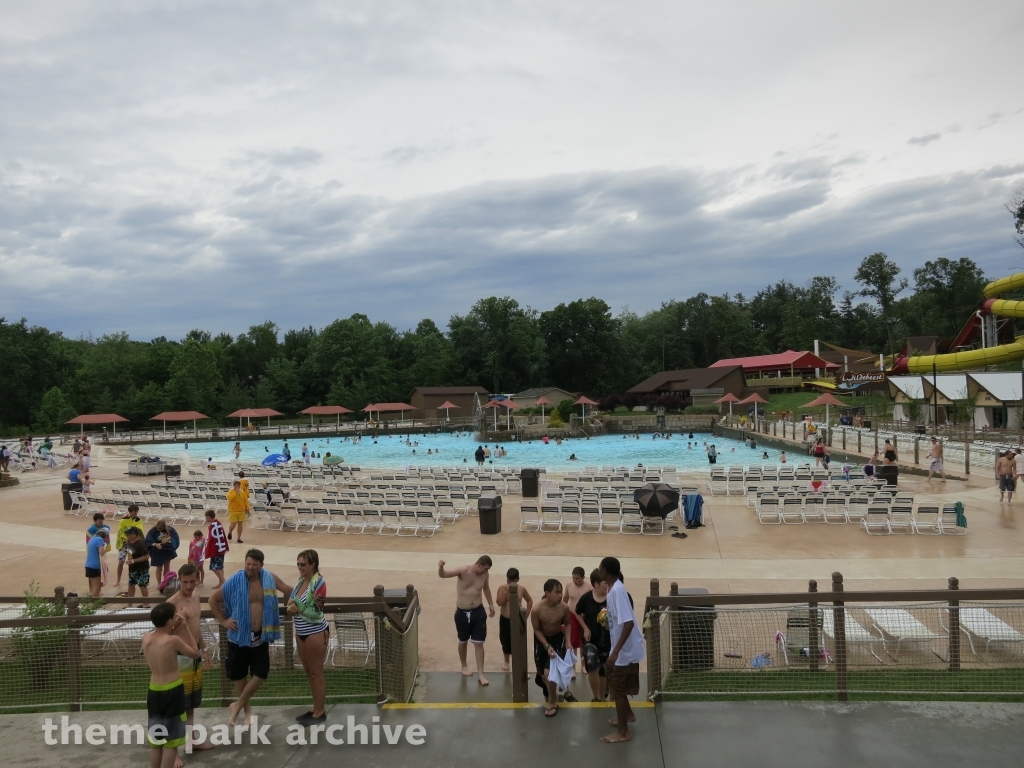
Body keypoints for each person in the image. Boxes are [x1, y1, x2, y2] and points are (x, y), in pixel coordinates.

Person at [210, 548, 292, 726]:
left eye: (254, 565)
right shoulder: (234, 580)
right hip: (238, 636)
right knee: (240, 675)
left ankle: (237, 705)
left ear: (261, 565)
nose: (250, 567)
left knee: (261, 673)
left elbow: (287, 589)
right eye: (248, 564)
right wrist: (223, 620)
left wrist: (305, 595)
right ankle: (247, 711)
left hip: (260, 636)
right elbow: (213, 600)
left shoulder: (269, 578)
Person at [142, 602, 200, 768]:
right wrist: (185, 627)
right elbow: (194, 653)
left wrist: (174, 624)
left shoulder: (146, 637)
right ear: (169, 621)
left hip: (154, 691)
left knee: (156, 739)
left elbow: (163, 635)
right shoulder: (173, 640)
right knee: (171, 741)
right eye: (174, 615)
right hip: (172, 691)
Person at [165, 563, 213, 756]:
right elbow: (163, 633)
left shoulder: (196, 597)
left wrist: (205, 649)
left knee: (191, 703)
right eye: (185, 582)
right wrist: (178, 620)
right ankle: (174, 752)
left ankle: (190, 740)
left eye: (192, 581)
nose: (189, 586)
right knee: (178, 705)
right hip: (179, 658)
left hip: (195, 656)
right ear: (179, 580)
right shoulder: (172, 603)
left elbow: (196, 626)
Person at [599, 556, 644, 744]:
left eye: (600, 568)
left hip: (624, 651)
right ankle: (628, 715)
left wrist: (616, 651)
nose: (599, 570)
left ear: (605, 572)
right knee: (614, 680)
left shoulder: (617, 591)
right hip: (619, 648)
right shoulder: (612, 589)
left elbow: (628, 623)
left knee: (617, 688)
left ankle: (623, 732)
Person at [438, 556, 495, 686]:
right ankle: (464, 666)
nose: (486, 571)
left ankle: (481, 674)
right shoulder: (463, 570)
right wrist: (441, 567)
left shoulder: (485, 574)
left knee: (479, 643)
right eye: (485, 568)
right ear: (479, 565)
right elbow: (444, 575)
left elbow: (486, 588)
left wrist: (491, 605)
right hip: (462, 612)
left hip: (478, 611)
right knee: (463, 640)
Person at [288, 549, 329, 725]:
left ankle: (320, 711)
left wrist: (298, 607)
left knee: (316, 673)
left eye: (303, 564)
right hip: (301, 632)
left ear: (313, 564)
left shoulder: (319, 582)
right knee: (308, 672)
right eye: (298, 564)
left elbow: (317, 611)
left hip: (315, 632)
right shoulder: (300, 581)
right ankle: (315, 708)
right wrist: (293, 606)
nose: (299, 567)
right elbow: (293, 601)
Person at [531, 578, 573, 717]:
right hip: (542, 640)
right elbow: (536, 630)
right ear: (547, 593)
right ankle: (553, 695)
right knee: (543, 675)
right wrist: (546, 645)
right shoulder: (537, 609)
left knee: (550, 673)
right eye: (557, 592)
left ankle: (552, 702)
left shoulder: (564, 608)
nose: (561, 595)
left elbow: (567, 624)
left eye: (561, 592)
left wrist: (568, 640)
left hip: (557, 639)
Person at [575, 569, 610, 701]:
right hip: (591, 639)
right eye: (604, 583)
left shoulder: (611, 598)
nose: (607, 586)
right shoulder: (586, 598)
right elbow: (577, 612)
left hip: (606, 640)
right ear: (596, 584)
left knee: (603, 668)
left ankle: (602, 696)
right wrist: (585, 628)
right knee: (592, 664)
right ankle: (596, 696)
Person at [496, 567, 534, 672]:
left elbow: (529, 600)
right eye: (508, 580)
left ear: (517, 579)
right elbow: (499, 603)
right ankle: (506, 661)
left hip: (516, 618)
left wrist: (527, 613)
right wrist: (504, 593)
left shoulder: (521, 589)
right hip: (505, 618)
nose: (510, 583)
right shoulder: (502, 588)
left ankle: (520, 667)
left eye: (513, 581)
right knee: (505, 640)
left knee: (518, 642)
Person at [563, 566, 590, 674]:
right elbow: (565, 600)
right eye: (573, 578)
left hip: (584, 617)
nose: (575, 580)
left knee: (584, 642)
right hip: (572, 616)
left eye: (577, 578)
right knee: (572, 642)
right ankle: (573, 668)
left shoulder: (589, 587)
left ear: (583, 577)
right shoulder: (569, 586)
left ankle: (583, 666)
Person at [114, 504, 144, 586]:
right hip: (124, 543)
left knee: (132, 562)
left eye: (136, 511)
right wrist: (129, 535)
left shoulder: (139, 520)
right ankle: (118, 580)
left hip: (133, 544)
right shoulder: (123, 520)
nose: (136, 513)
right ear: (130, 512)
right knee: (121, 562)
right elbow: (121, 532)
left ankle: (133, 579)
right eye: (134, 511)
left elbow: (138, 531)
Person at [146, 519, 180, 586]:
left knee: (167, 566)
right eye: (159, 528)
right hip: (157, 551)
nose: (160, 530)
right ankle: (159, 583)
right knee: (159, 568)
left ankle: (166, 582)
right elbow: (147, 541)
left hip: (167, 550)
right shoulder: (152, 531)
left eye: (162, 529)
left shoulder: (170, 529)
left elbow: (175, 536)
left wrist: (168, 538)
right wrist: (155, 544)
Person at [124, 527, 151, 599]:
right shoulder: (129, 542)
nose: (127, 536)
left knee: (142, 585)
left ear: (134, 535)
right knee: (131, 585)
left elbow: (146, 556)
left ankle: (146, 603)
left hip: (141, 569)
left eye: (128, 534)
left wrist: (133, 561)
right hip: (132, 568)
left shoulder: (140, 544)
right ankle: (130, 604)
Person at [205, 510, 229, 587]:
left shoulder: (213, 525)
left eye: (206, 517)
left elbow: (212, 538)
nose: (206, 518)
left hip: (216, 549)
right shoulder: (218, 523)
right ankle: (221, 582)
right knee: (220, 566)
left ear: (209, 516)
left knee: (214, 566)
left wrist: (208, 547)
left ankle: (223, 581)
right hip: (221, 547)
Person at [85, 529, 108, 597]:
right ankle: (95, 602)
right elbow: (101, 552)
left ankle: (92, 599)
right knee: (97, 585)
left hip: (88, 564)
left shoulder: (92, 539)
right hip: (95, 565)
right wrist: (106, 549)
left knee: (93, 585)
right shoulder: (100, 540)